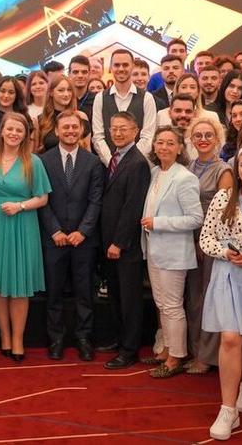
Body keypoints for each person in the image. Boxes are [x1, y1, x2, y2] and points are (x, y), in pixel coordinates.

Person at [200, 145, 242, 440]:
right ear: (237, 169)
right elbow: (205, 237)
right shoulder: (223, 197)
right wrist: (225, 252)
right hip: (227, 274)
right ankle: (228, 410)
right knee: (230, 338)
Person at [0, 111, 51, 361]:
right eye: (9, 129)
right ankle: (5, 337)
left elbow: (43, 198)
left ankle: (19, 340)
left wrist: (20, 206)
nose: (13, 133)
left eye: (19, 130)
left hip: (22, 223)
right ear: (1, 131)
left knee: (19, 285)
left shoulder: (33, 161)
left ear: (25, 135)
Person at [38, 110, 104, 361]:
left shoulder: (93, 162)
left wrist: (82, 231)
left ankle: (84, 338)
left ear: (82, 130)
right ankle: (55, 339)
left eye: (75, 127)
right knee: (53, 293)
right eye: (65, 127)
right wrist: (54, 230)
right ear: (56, 131)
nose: (70, 131)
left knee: (84, 292)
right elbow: (42, 199)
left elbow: (96, 201)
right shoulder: (43, 161)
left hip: (83, 241)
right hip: (53, 239)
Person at [141, 126, 203, 378]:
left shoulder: (185, 178)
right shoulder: (156, 172)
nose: (164, 147)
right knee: (161, 304)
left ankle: (176, 356)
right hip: (154, 249)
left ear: (179, 148)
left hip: (174, 253)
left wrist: (159, 223)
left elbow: (195, 218)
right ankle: (167, 349)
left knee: (172, 306)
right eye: (160, 142)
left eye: (170, 143)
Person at [98, 112, 152, 369]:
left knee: (129, 299)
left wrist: (119, 242)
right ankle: (120, 340)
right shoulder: (116, 158)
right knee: (116, 296)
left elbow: (133, 207)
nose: (118, 133)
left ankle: (130, 350)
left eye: (123, 128)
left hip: (125, 246)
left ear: (136, 131)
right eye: (114, 128)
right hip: (109, 242)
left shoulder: (138, 163)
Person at [185, 118, 233, 374]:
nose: (203, 140)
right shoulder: (189, 166)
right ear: (191, 139)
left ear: (217, 139)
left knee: (207, 298)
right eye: (198, 135)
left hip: (209, 243)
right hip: (187, 238)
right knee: (193, 298)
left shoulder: (223, 171)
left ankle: (206, 357)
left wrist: (203, 242)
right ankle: (194, 350)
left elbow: (223, 214)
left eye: (208, 135)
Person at [91, 49, 157, 165]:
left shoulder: (147, 98)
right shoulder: (100, 98)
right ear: (111, 67)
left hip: (138, 167)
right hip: (108, 168)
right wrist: (112, 162)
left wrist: (129, 162)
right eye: (117, 65)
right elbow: (98, 137)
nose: (121, 69)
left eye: (125, 65)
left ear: (132, 66)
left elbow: (148, 136)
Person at [37, 76, 91, 152]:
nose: (66, 94)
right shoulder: (41, 120)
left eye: (69, 90)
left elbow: (88, 150)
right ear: (51, 92)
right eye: (61, 90)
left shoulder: (81, 117)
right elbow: (36, 151)